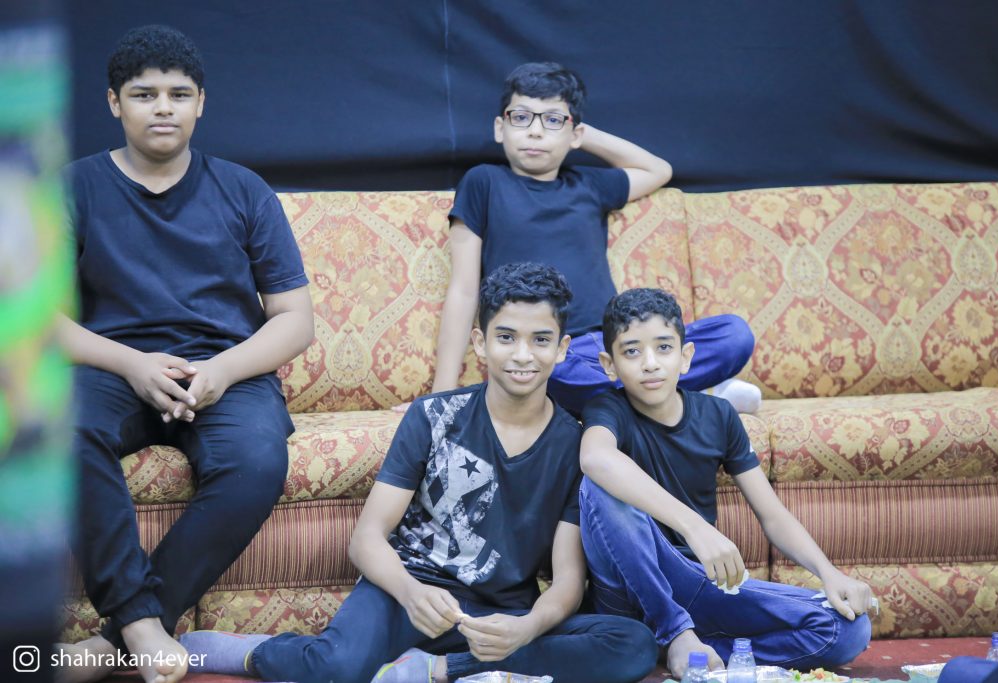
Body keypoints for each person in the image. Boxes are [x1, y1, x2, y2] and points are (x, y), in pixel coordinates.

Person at [181, 263, 658, 683]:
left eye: (540, 340)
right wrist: (411, 594)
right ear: (480, 342)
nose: (522, 355)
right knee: (336, 669)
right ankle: (256, 653)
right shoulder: (433, 416)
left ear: (562, 348)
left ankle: (438, 670)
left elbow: (569, 581)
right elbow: (366, 539)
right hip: (406, 592)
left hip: (497, 613)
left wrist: (526, 628)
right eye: (506, 337)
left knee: (633, 645)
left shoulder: (574, 444)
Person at [56, 25, 313, 683]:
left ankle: (113, 642)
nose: (163, 108)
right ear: (114, 103)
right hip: (112, 366)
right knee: (59, 431)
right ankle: (142, 624)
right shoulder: (72, 188)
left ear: (201, 103)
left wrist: (222, 370)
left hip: (225, 370)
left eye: (178, 94)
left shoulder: (243, 189)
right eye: (144, 94)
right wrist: (132, 363)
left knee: (257, 460)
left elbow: (295, 321)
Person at [418, 61, 759, 417]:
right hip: (552, 351)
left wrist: (576, 131)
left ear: (575, 134)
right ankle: (697, 396)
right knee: (553, 375)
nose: (535, 132)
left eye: (552, 120)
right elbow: (464, 289)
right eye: (521, 118)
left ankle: (659, 394)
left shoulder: (589, 185)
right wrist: (440, 395)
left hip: (621, 342)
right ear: (500, 128)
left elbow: (658, 170)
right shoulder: (483, 182)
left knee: (733, 335)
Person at [577, 288, 872, 678]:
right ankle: (675, 632)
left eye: (663, 348)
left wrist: (828, 572)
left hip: (695, 582)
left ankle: (691, 648)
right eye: (631, 351)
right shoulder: (607, 408)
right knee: (599, 486)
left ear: (686, 357)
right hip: (627, 584)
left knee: (848, 629)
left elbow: (772, 515)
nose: (650, 363)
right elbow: (595, 458)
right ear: (609, 365)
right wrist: (695, 526)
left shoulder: (718, 415)